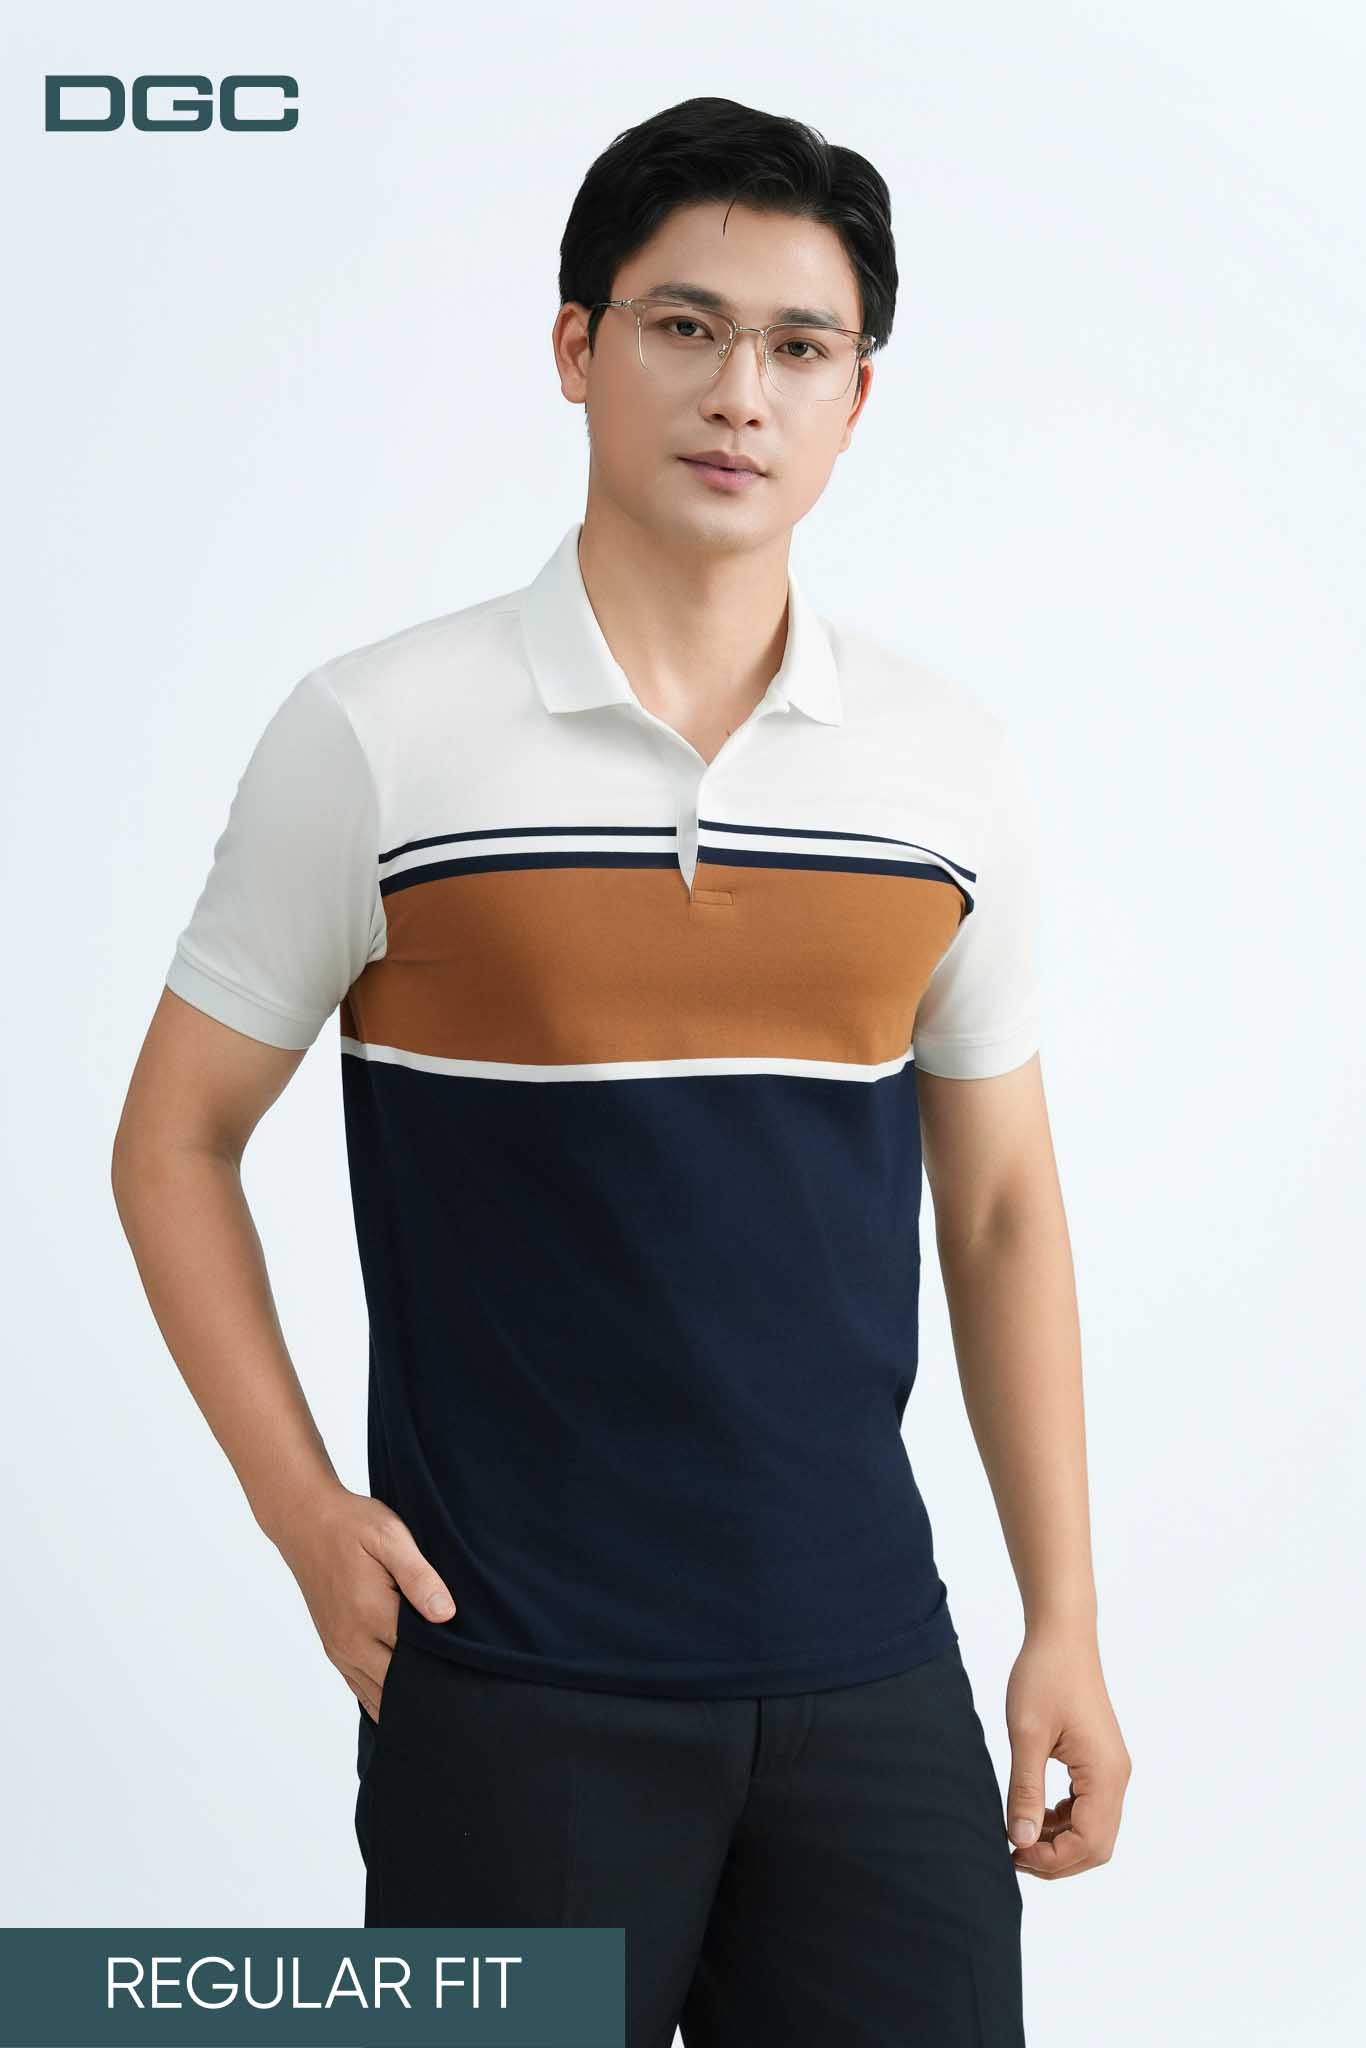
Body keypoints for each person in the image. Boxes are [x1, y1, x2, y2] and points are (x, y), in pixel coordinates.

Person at [112, 94, 1130, 2048]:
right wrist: (299, 1508)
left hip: (870, 1684)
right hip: (509, 1688)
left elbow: (1000, 1208)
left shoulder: (943, 767)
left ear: (853, 397)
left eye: (798, 346)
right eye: (683, 326)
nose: (739, 390)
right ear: (576, 347)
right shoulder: (380, 736)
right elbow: (173, 1140)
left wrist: (1061, 1618)